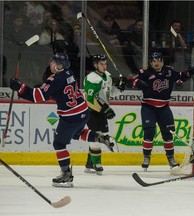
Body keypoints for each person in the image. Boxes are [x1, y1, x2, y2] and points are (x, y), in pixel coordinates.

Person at [9, 53, 115, 187]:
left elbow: (38, 96)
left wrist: (20, 87)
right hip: (83, 111)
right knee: (77, 132)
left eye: (53, 62)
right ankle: (101, 138)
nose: (50, 64)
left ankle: (66, 174)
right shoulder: (69, 73)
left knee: (59, 144)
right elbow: (58, 91)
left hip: (71, 116)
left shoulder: (55, 80)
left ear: (59, 66)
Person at [127, 52, 194, 171]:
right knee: (149, 132)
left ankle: (170, 158)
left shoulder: (169, 71)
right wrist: (136, 83)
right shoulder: (145, 72)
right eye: (154, 61)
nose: (156, 63)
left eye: (158, 60)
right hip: (148, 107)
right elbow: (130, 81)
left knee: (168, 134)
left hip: (164, 107)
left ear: (162, 61)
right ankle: (146, 158)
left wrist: (188, 73)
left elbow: (180, 77)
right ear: (150, 63)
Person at [83, 54, 127, 175]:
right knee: (97, 136)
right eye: (101, 63)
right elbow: (90, 100)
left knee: (100, 135)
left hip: (102, 110)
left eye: (105, 63)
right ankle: (96, 163)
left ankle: (90, 163)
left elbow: (110, 93)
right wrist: (105, 109)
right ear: (95, 65)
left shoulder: (107, 76)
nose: (104, 66)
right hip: (92, 112)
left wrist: (120, 88)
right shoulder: (92, 78)